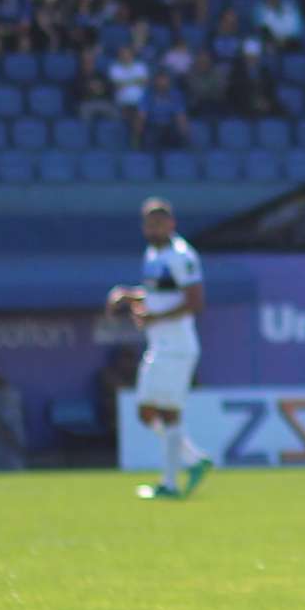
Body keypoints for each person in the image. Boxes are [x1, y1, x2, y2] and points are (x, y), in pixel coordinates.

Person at [104, 197, 214, 501]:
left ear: (171, 224)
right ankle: (193, 460)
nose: (153, 228)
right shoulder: (153, 253)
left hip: (177, 346)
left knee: (166, 412)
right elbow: (159, 294)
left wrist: (155, 316)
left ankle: (170, 483)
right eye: (149, 223)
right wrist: (130, 296)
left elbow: (195, 302)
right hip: (160, 343)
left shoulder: (182, 256)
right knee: (146, 412)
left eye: (159, 222)